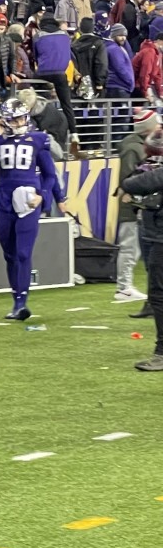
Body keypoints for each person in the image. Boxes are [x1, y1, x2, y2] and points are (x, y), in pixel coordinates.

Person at [0, 99, 72, 320]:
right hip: (3, 200)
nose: (18, 122)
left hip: (29, 200)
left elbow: (49, 174)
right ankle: (16, 299)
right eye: (14, 118)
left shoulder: (38, 139)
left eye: (21, 117)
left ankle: (21, 303)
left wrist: (44, 196)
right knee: (9, 254)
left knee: (23, 252)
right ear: (5, 119)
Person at [120, 131, 163, 370]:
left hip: (160, 239)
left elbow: (131, 183)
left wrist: (146, 170)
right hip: (156, 235)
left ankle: (162, 352)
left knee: (158, 294)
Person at [113, 109, 157, 306]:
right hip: (131, 205)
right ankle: (124, 287)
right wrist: (134, 200)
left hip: (141, 203)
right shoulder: (133, 148)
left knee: (136, 248)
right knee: (129, 247)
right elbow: (127, 178)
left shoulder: (141, 145)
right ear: (147, 128)